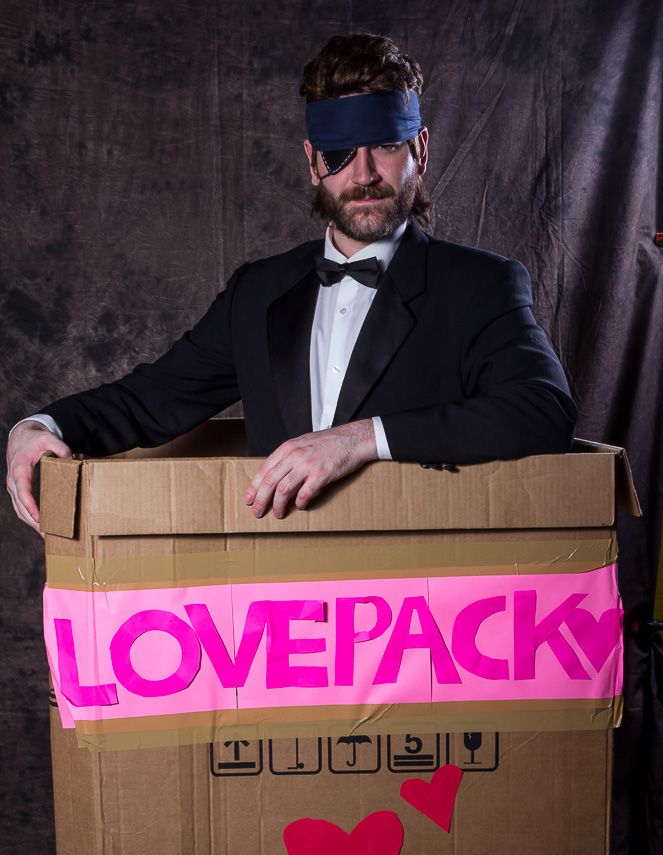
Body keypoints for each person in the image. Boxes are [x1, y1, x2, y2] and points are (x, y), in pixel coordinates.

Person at [6, 33, 576, 530]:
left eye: (385, 145)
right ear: (312, 161)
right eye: (339, 153)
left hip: (417, 595)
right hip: (282, 594)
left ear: (419, 150)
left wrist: (362, 440)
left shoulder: (480, 286)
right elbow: (149, 400)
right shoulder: (256, 294)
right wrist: (37, 426)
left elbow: (544, 410)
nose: (363, 174)